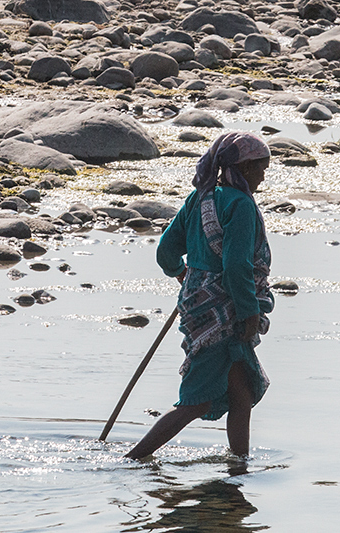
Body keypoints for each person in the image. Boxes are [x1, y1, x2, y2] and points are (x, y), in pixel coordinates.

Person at [126, 132, 275, 460]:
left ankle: (239, 466)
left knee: (241, 393)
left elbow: (166, 251)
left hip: (197, 303)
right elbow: (236, 266)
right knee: (198, 401)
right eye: (260, 168)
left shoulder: (200, 198)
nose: (264, 175)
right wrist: (249, 312)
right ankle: (134, 459)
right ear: (244, 168)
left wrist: (185, 275)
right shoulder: (240, 204)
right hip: (226, 310)